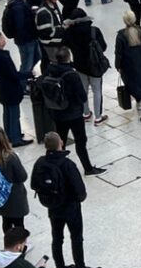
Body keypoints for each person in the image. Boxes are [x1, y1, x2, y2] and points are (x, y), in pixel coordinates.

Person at [32, 131, 102, 268]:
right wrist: (77, 199)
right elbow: (80, 191)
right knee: (76, 237)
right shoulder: (67, 164)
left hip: (53, 207)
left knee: (57, 239)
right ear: (61, 143)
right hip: (71, 208)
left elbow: (33, 184)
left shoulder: (40, 163)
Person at [43, 47, 105, 176]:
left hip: (57, 113)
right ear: (69, 58)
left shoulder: (49, 71)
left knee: (61, 141)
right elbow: (82, 96)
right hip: (73, 114)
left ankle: (59, 168)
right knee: (80, 142)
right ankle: (88, 168)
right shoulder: (71, 75)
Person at [60, 9, 109, 125]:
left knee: (83, 90)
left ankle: (86, 113)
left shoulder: (70, 33)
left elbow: (63, 44)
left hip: (79, 66)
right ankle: (98, 117)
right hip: (95, 66)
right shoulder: (94, 31)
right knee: (97, 91)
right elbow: (104, 47)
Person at [0, 34, 32, 147]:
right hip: (11, 89)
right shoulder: (3, 57)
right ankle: (16, 138)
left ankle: (9, 135)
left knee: (7, 113)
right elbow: (13, 74)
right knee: (14, 114)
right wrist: (29, 74)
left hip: (2, 88)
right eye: (2, 39)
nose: (4, 40)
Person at [0, 128, 30, 233]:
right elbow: (22, 176)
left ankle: (8, 242)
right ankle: (20, 245)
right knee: (19, 223)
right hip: (15, 196)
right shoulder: (11, 156)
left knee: (6, 221)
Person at [115, 10, 141, 121]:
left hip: (129, 66)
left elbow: (118, 53)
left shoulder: (121, 35)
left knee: (134, 84)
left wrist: (118, 66)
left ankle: (138, 101)